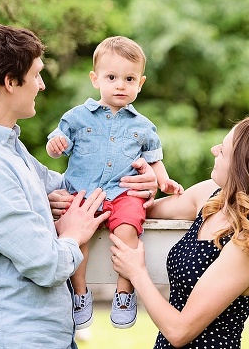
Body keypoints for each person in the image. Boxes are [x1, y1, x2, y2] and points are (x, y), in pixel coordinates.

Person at [0, 22, 158, 349]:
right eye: (36, 75)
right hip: (9, 337)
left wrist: (140, 184)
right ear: (10, 82)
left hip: (42, 336)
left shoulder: (7, 149)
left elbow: (75, 187)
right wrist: (72, 232)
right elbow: (46, 263)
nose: (41, 86)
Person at [109, 117, 249, 348]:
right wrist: (147, 187)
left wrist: (136, 272)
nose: (213, 150)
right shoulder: (212, 196)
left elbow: (179, 332)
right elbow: (146, 210)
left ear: (244, 168)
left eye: (223, 150)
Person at [46, 36, 183, 330]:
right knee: (77, 236)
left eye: (129, 78)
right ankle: (79, 292)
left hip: (123, 194)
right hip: (84, 193)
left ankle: (125, 291)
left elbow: (154, 159)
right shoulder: (77, 117)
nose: (120, 85)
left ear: (140, 83)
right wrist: (55, 146)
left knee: (127, 231)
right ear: (95, 79)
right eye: (112, 77)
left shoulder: (143, 126)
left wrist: (165, 181)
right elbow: (57, 142)